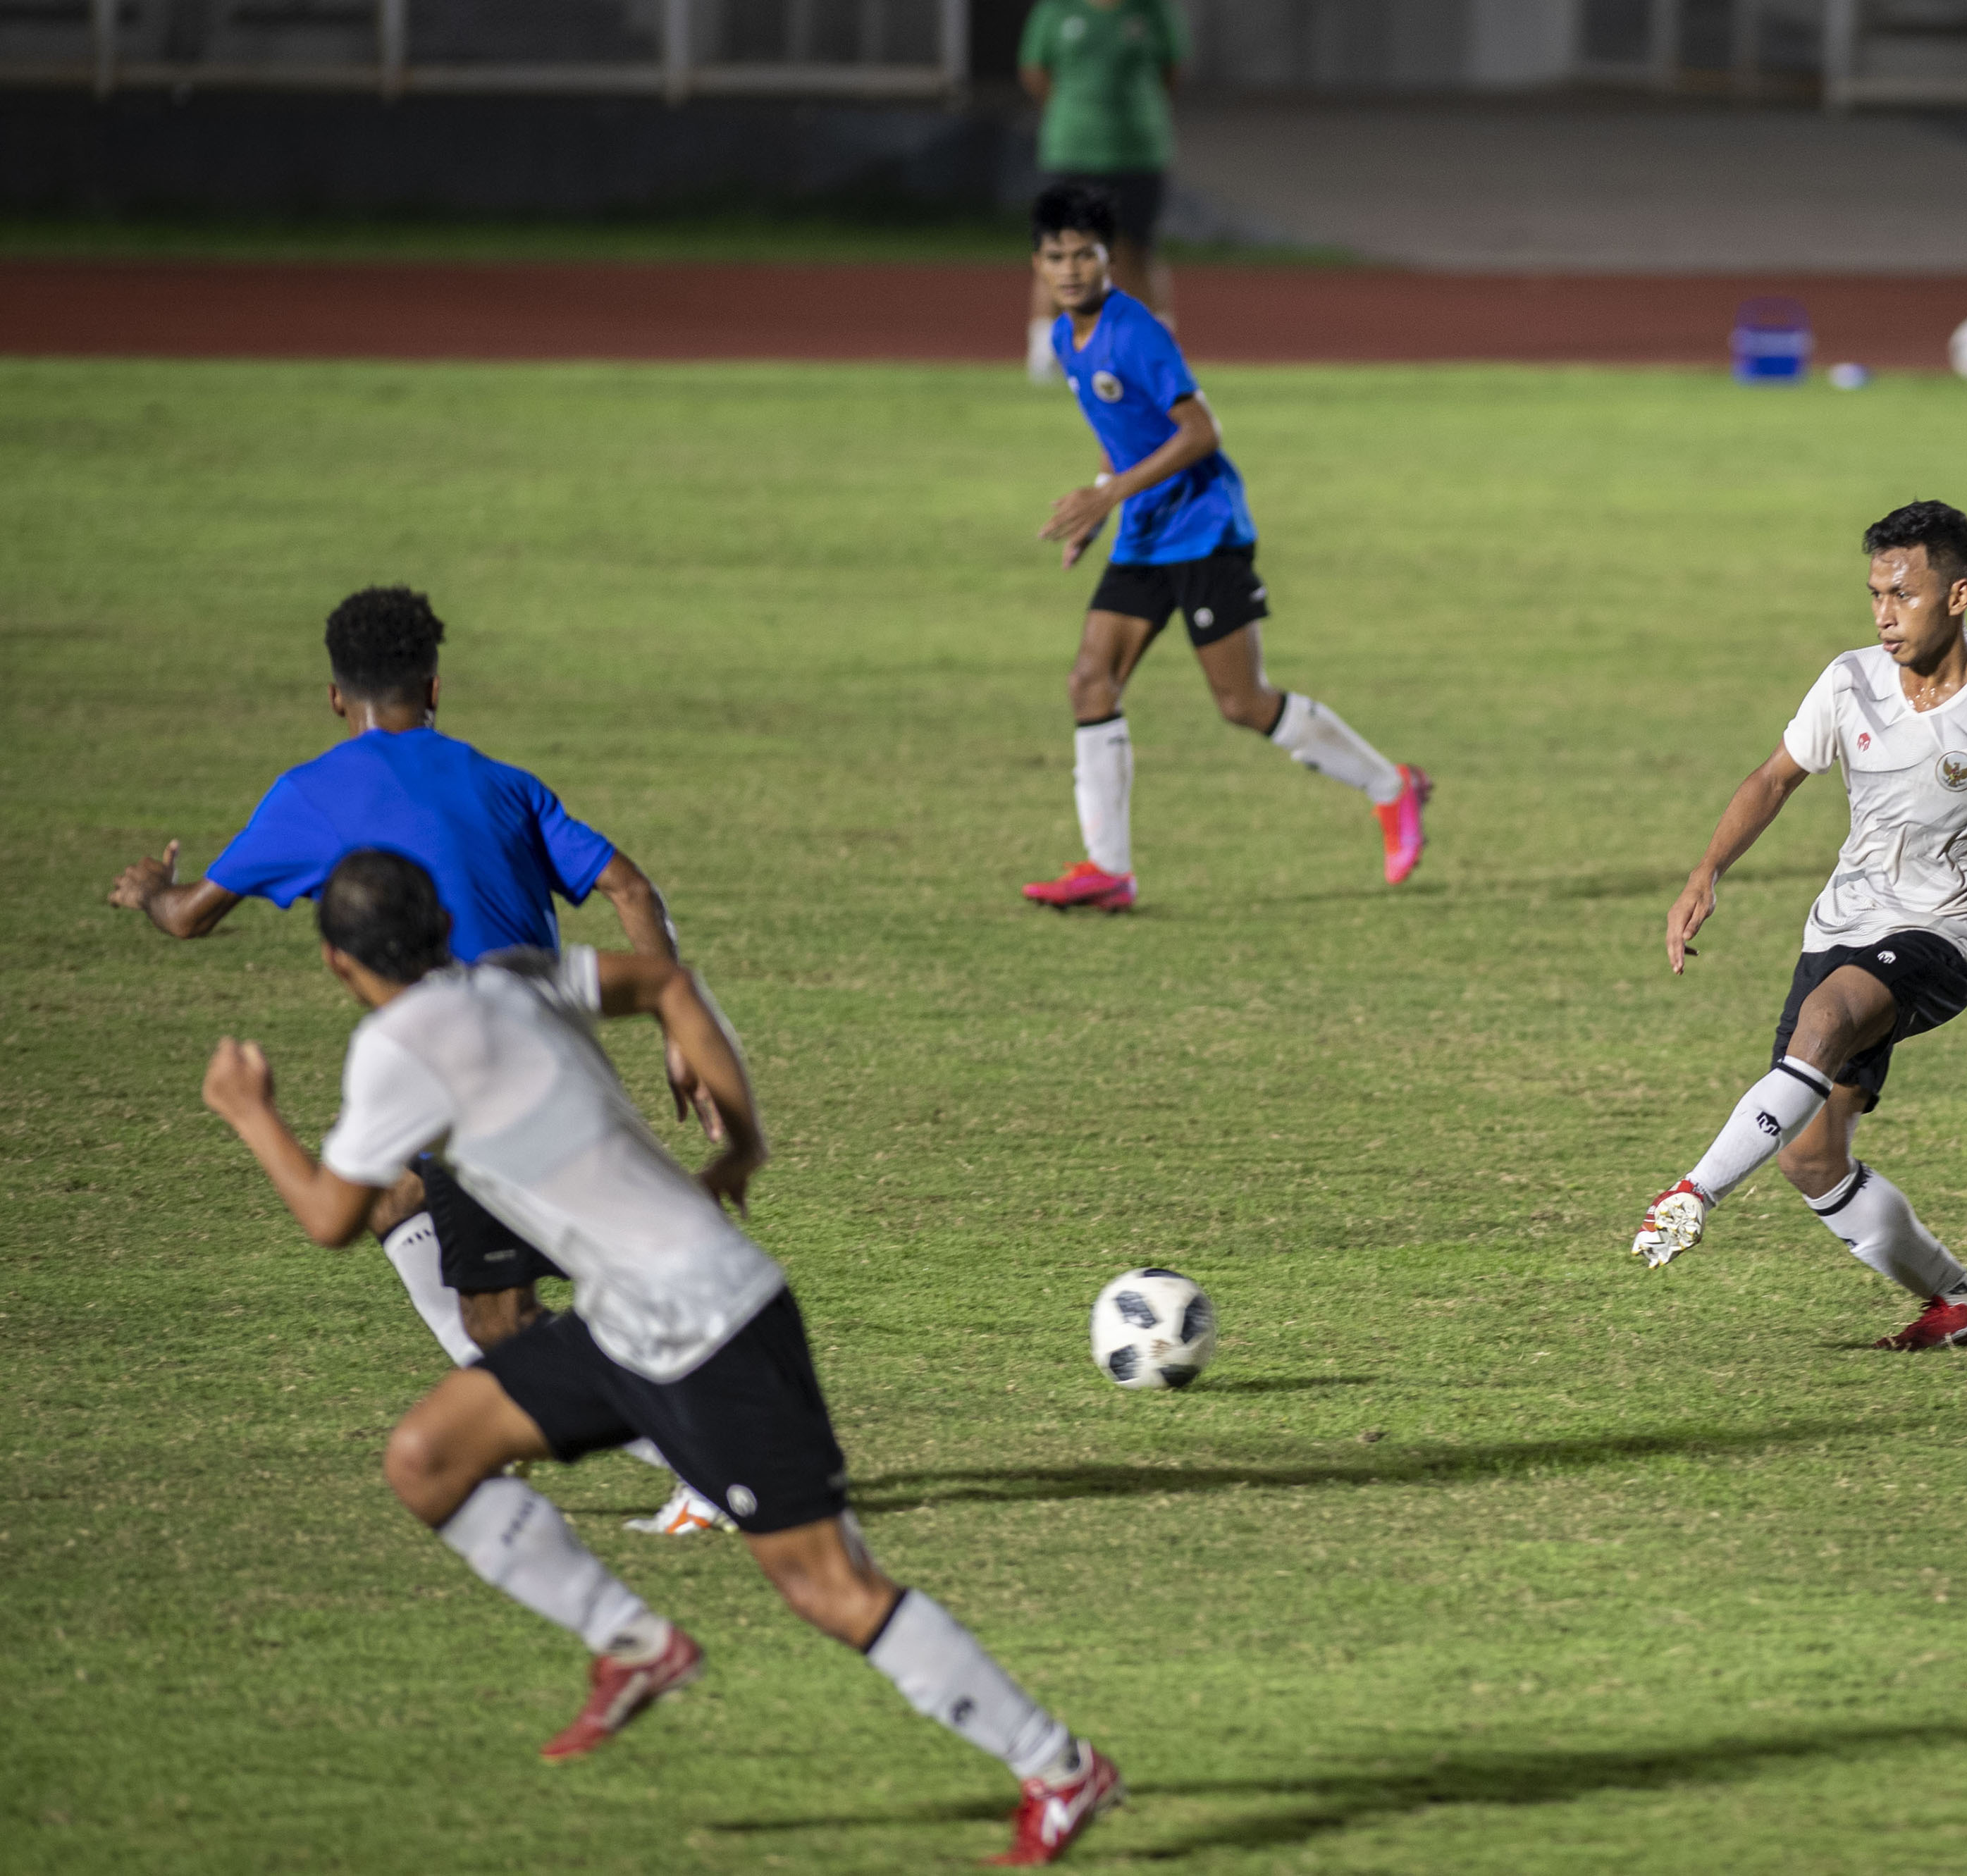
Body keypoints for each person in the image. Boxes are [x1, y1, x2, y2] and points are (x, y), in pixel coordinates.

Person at [196, 851, 1120, 1865]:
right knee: (429, 1456)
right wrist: (744, 1138)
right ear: (438, 927)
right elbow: (667, 980)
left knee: (830, 1589)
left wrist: (251, 1112)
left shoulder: (395, 1048)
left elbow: (335, 1216)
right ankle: (637, 1642)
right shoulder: (512, 971)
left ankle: (1059, 1765)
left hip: (709, 1322)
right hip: (625, 1317)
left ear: (336, 961)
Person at [106, 586, 728, 1536]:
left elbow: (191, 918)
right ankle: (526, 1408)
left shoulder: (307, 793)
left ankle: (701, 1462)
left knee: (502, 1318)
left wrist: (152, 887)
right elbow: (632, 888)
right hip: (539, 1045)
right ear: (434, 685)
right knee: (396, 1205)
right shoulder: (502, 780)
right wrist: (682, 1038)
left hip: (471, 1077)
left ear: (333, 695)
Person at [1631, 502, 1967, 1350]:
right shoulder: (1850, 681)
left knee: (1826, 1019)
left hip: (1941, 941)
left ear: (1957, 595)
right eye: (1874, 594)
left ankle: (1692, 1192)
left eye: (1902, 594)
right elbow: (1773, 778)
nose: (1883, 614)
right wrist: (1705, 869)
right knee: (1809, 1157)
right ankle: (1962, 1303)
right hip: (1840, 925)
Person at [1020, 183, 1429, 912]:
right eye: (1058, 256)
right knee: (1090, 680)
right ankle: (1109, 869)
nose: (1072, 269)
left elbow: (1200, 430)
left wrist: (1106, 497)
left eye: (1086, 254)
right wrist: (1097, 502)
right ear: (1039, 264)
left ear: (1110, 259)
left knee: (1242, 703)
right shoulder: (1063, 338)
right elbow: (1127, 435)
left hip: (1204, 531)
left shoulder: (1134, 331)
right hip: (1145, 536)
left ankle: (1393, 788)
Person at [1019, 0, 1188, 383]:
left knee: (1137, 248)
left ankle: (1155, 351)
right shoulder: (1057, 9)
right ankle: (1044, 349)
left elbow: (1171, 69)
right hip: (1074, 146)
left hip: (1138, 148)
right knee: (1061, 247)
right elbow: (1034, 70)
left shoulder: (1152, 10)